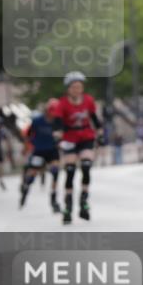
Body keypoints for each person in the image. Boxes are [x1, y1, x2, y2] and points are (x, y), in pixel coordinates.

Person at [53, 71, 105, 223]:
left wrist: (100, 134)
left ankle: (83, 201)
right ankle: (68, 205)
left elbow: (95, 120)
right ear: (68, 88)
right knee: (70, 171)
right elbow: (57, 123)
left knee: (86, 166)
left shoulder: (88, 100)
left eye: (79, 87)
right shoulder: (62, 103)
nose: (77, 90)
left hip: (86, 136)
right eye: (74, 87)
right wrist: (57, 137)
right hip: (70, 137)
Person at [20, 99, 63, 211]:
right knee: (33, 174)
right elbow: (28, 135)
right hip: (39, 150)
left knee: (55, 171)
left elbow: (63, 135)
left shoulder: (58, 122)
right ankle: (25, 189)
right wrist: (26, 147)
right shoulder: (37, 121)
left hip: (52, 150)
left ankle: (53, 199)